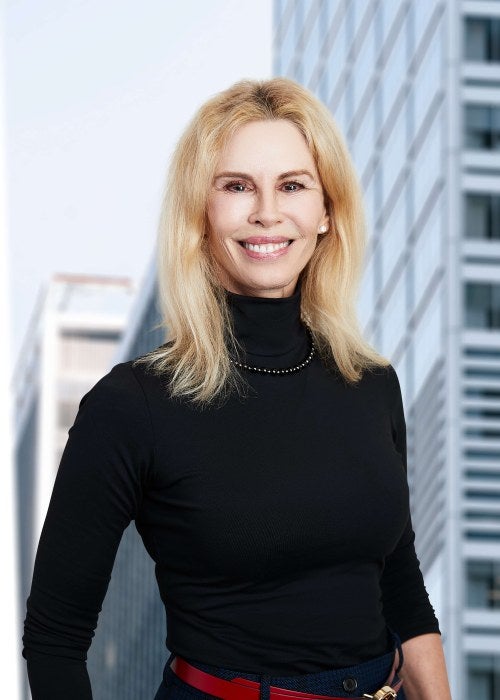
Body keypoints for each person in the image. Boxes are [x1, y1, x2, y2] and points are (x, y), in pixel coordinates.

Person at [23, 78, 452, 700]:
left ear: (327, 211)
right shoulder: (134, 404)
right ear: (201, 213)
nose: (267, 213)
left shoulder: (372, 384)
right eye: (236, 186)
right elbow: (56, 636)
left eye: (293, 185)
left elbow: (399, 582)